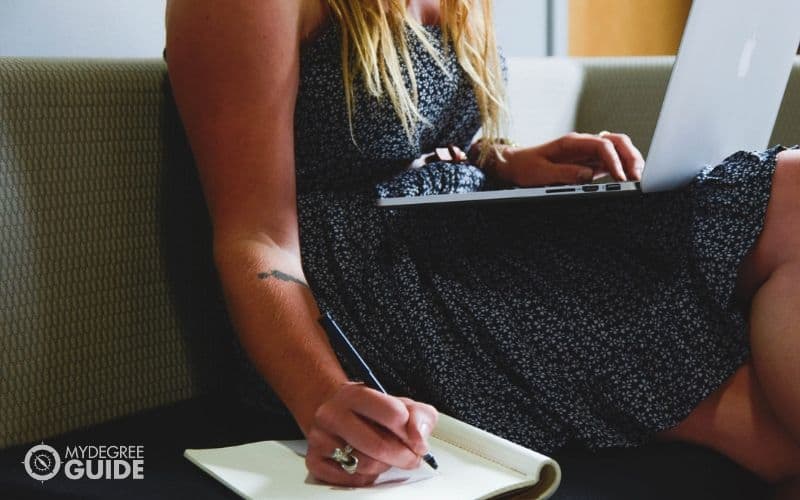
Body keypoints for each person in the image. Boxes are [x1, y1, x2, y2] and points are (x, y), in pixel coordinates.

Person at [164, 0, 800, 495]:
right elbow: (257, 238)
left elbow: (407, 140)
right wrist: (322, 396)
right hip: (372, 289)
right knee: (770, 434)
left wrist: (503, 163)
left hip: (458, 234)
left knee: (793, 186)